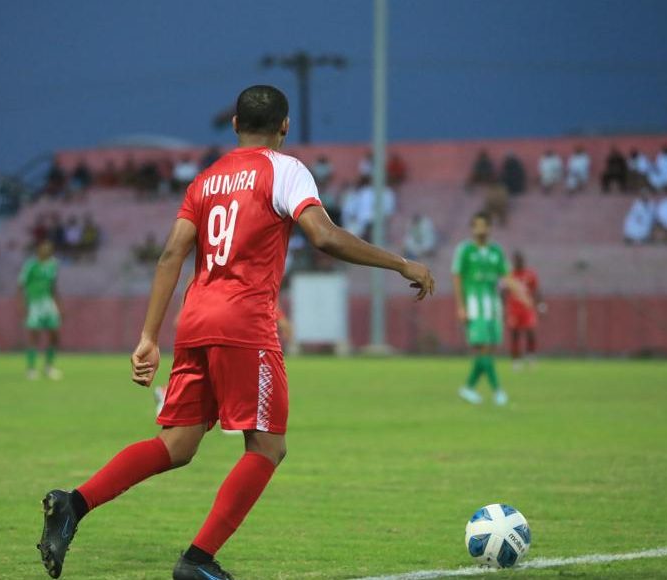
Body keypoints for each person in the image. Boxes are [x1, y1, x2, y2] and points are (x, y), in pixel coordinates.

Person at [35, 84, 435, 580]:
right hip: (244, 322)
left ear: (235, 125)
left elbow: (171, 254)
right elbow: (324, 235)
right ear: (284, 125)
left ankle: (73, 504)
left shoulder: (205, 180)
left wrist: (148, 337)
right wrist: (400, 263)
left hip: (195, 320)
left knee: (178, 444)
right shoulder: (285, 169)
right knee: (267, 447)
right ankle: (197, 560)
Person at [452, 213, 529, 406]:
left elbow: (507, 276)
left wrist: (521, 293)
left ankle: (468, 388)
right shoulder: (465, 250)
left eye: (484, 225)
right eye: (477, 225)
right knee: (484, 347)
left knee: (488, 350)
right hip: (474, 306)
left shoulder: (496, 251)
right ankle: (498, 391)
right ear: (472, 228)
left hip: (493, 306)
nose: (480, 229)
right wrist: (461, 307)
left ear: (489, 228)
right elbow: (457, 278)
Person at [19, 239, 62, 380]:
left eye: (49, 248)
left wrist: (59, 305)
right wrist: (22, 305)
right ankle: (31, 369)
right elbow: (20, 286)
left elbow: (53, 286)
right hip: (34, 304)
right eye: (44, 248)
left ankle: (48, 367)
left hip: (48, 303)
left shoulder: (53, 265)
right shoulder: (31, 265)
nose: (47, 251)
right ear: (38, 250)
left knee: (54, 335)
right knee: (34, 336)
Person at [505, 251, 544, 370]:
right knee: (515, 334)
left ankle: (531, 357)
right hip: (514, 310)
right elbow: (503, 292)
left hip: (527, 309)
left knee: (531, 332)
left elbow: (537, 291)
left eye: (520, 260)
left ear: (523, 261)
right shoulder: (509, 276)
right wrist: (503, 308)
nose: (518, 263)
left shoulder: (530, 274)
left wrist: (541, 305)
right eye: (516, 260)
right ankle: (516, 361)